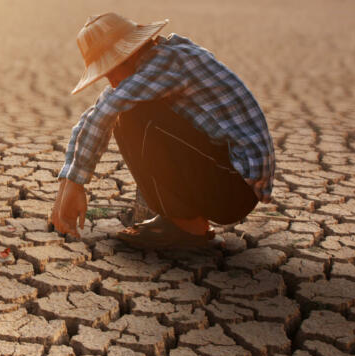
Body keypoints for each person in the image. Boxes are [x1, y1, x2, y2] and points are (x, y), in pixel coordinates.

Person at [50, 13, 275, 249]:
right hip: (228, 180)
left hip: (236, 190)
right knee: (125, 111)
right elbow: (92, 115)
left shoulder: (167, 63)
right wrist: (66, 185)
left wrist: (76, 183)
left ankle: (190, 229)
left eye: (110, 70)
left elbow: (108, 109)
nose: (110, 79)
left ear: (130, 53)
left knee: (133, 116)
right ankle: (177, 220)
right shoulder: (150, 64)